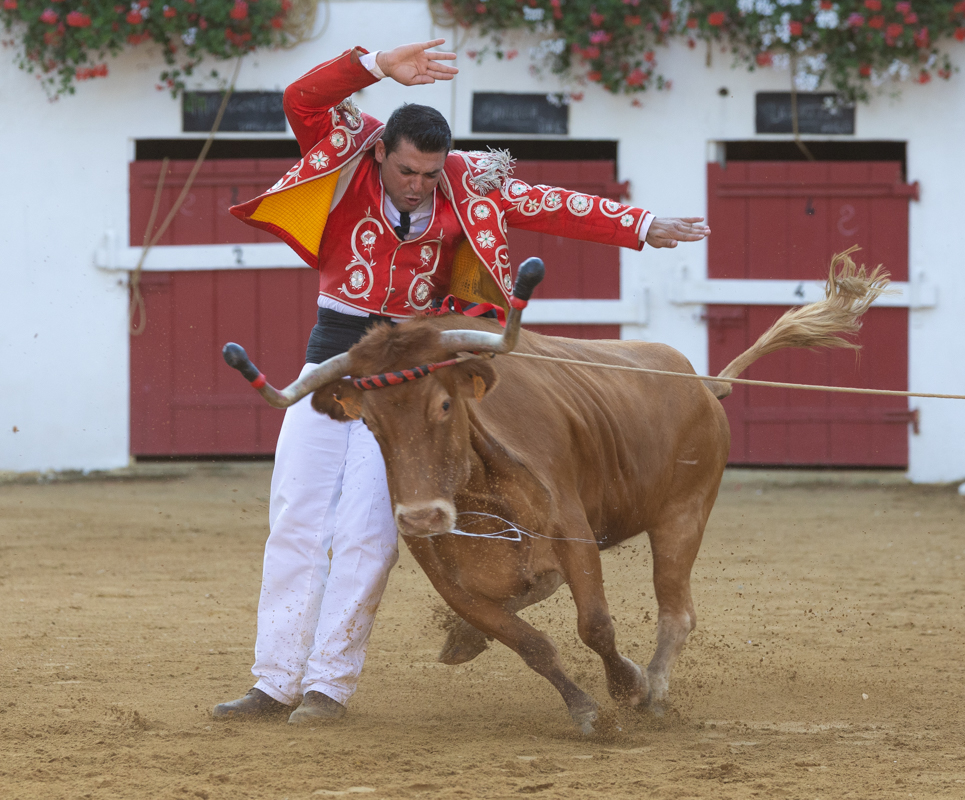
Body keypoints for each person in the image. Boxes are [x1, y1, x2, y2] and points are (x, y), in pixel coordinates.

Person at [212, 40, 710, 724]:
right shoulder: (346, 152)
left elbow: (549, 203)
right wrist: (377, 63)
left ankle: (328, 685)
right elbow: (301, 98)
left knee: (369, 533)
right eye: (408, 170)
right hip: (338, 360)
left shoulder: (467, 183)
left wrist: (645, 225)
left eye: (429, 173)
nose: (418, 184)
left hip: (415, 383)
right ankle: (272, 682)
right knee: (295, 520)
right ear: (383, 151)